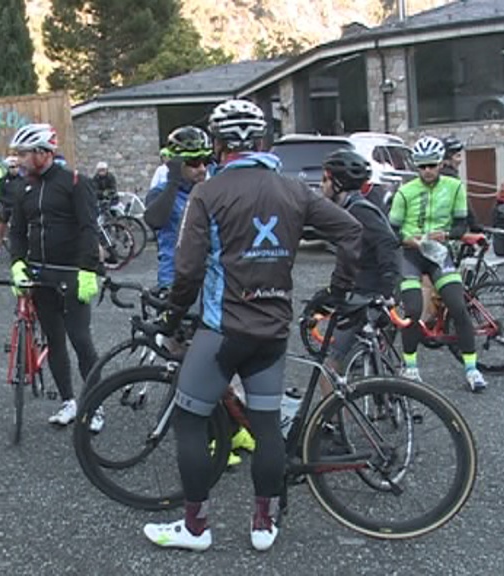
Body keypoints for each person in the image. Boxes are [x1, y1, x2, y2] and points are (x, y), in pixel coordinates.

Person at [142, 99, 362, 552]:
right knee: (265, 428)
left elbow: (187, 272)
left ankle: (196, 529)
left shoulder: (207, 193)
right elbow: (352, 233)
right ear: (262, 142)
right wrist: (336, 292)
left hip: (223, 330)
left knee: (188, 419)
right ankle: (263, 526)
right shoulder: (295, 190)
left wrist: (170, 316)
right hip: (273, 331)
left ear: (219, 145)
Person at [8, 123, 101, 430]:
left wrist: (88, 269)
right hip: (40, 277)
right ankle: (68, 401)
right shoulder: (23, 188)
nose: (18, 160)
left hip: (73, 274)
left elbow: (89, 228)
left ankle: (96, 406)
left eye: (23, 154)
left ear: (42, 153)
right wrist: (17, 264)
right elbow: (18, 232)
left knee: (80, 339)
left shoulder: (75, 182)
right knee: (55, 342)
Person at [388, 136, 486, 392]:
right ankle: (410, 367)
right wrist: (407, 240)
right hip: (411, 254)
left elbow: (462, 224)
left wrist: (449, 235)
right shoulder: (405, 192)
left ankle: (472, 369)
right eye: (422, 167)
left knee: (457, 306)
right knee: (413, 310)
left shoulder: (455, 187)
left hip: (439, 254)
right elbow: (391, 230)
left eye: (432, 165)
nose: (427, 171)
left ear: (441, 164)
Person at [314, 149, 400, 392]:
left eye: (324, 180)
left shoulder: (359, 211)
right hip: (363, 288)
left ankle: (329, 421)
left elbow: (388, 244)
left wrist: (386, 290)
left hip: (368, 294)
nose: (321, 186)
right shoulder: (350, 208)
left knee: (328, 365)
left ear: (337, 183)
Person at [143, 126, 213, 292]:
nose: (202, 169)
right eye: (194, 163)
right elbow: (154, 221)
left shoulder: (210, 191)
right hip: (175, 279)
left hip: (210, 278)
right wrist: (173, 179)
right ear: (176, 164)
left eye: (206, 161)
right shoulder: (161, 192)